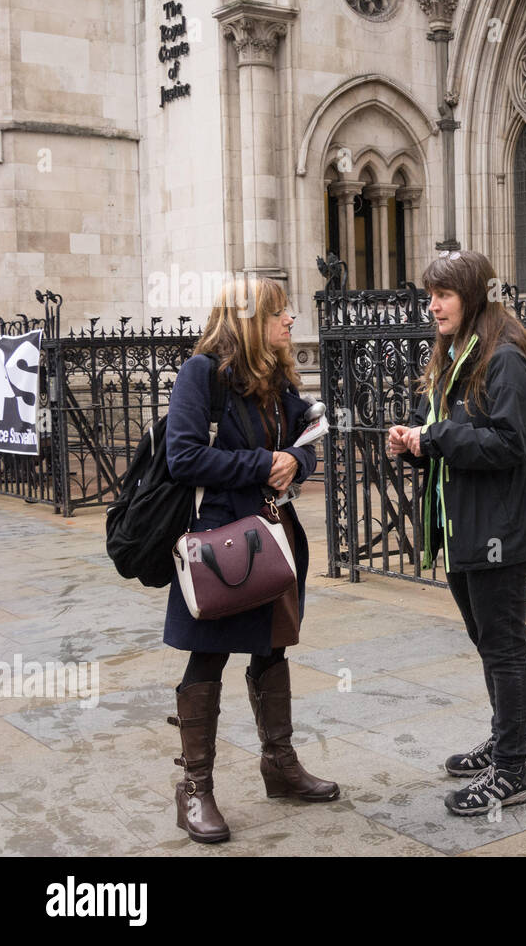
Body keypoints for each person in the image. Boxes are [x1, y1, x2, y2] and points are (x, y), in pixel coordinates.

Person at [164, 276, 339, 844]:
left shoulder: (279, 378)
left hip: (273, 534)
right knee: (208, 658)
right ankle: (195, 787)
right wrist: (263, 464)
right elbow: (183, 457)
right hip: (220, 542)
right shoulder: (203, 375)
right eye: (279, 314)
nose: (291, 322)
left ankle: (279, 764)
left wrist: (293, 461)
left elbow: (305, 445)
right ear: (247, 320)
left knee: (273, 645)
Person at [387, 250, 526, 816]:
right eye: (430, 294)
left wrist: (434, 437)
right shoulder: (456, 354)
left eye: (444, 295)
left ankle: (512, 769)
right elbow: (447, 431)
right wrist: (415, 441)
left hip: (500, 530)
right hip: (463, 526)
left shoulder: (503, 357)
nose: (432, 305)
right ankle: (507, 741)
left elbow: (513, 443)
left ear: (474, 296)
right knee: (489, 645)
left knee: (505, 648)